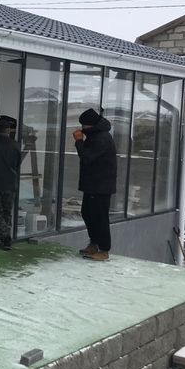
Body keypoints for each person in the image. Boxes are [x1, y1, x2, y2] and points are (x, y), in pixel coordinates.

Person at [74, 108, 117, 261]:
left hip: (101, 186)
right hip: (93, 184)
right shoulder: (95, 136)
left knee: (100, 216)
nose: (82, 128)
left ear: (90, 125)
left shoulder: (102, 138)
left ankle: (104, 249)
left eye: (84, 125)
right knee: (87, 213)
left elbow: (86, 157)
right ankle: (94, 243)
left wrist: (79, 141)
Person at [0, 115, 21, 250]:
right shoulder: (15, 145)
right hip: (10, 183)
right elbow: (17, 164)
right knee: (7, 212)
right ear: (8, 130)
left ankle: (5, 237)